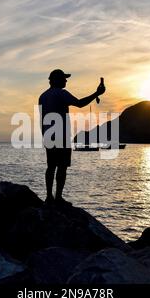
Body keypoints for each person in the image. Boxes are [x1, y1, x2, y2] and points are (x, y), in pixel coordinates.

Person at [38, 69, 106, 206]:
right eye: (64, 78)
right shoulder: (62, 94)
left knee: (51, 166)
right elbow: (80, 103)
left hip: (48, 135)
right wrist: (97, 93)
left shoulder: (43, 96)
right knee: (62, 166)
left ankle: (49, 197)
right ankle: (58, 198)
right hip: (61, 136)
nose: (66, 80)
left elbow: (42, 117)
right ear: (56, 80)